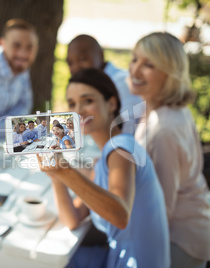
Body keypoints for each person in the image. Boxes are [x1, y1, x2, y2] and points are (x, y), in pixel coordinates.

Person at [38, 68, 170, 267]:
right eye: (72, 103)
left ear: (112, 104)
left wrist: (65, 170)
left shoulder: (121, 150)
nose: (78, 110)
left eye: (88, 100)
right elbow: (73, 219)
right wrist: (56, 176)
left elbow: (120, 214)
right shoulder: (104, 159)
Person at [130, 32, 210, 267]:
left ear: (170, 73)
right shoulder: (163, 108)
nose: (134, 71)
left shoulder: (163, 129)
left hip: (179, 239)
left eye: (149, 65)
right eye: (135, 59)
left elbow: (160, 208)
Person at [67, 34, 142, 134]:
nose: (76, 68)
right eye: (70, 63)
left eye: (82, 59)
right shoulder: (87, 86)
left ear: (101, 55)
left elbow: (127, 128)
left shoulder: (122, 83)